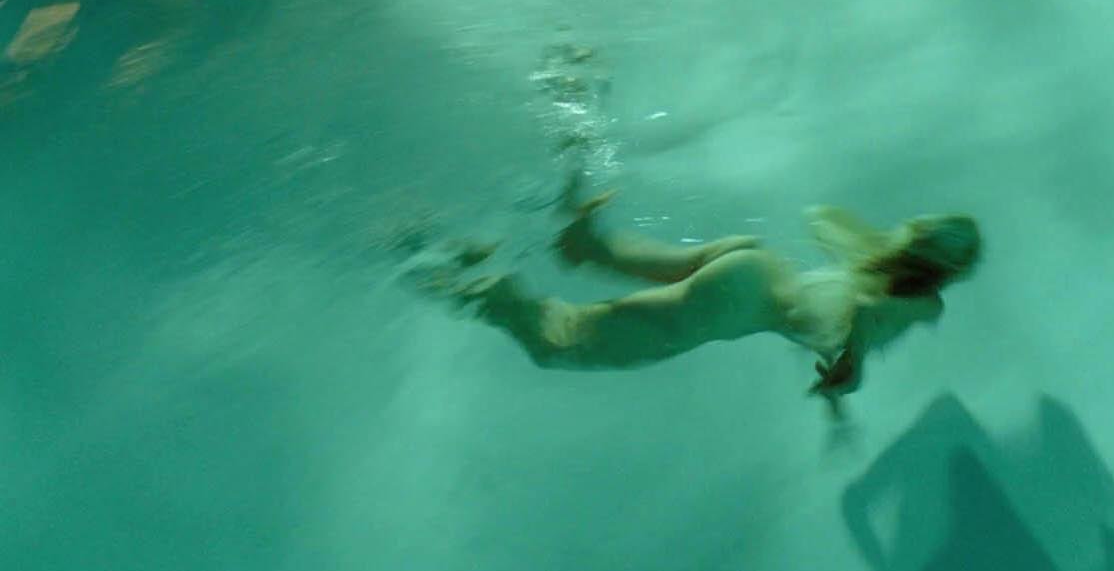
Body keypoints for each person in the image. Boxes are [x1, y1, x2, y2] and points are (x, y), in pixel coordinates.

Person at [403, 172, 982, 407]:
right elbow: (867, 313)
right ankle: (471, 278)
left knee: (587, 251)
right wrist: (850, 367)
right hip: (735, 303)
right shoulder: (918, 301)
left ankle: (580, 215)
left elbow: (821, 219)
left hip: (751, 262)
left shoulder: (869, 259)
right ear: (949, 273)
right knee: (558, 344)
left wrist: (879, 252)